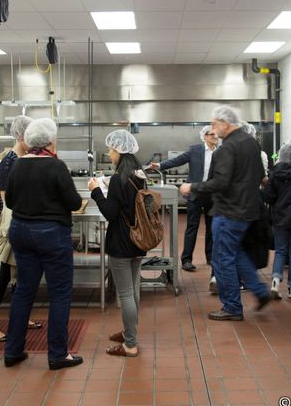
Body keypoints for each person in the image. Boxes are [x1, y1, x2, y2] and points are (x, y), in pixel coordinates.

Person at [3, 118, 84, 370]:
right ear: (50, 141)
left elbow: (11, 202)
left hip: (21, 231)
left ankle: (13, 351)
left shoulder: (16, 165)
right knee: (59, 293)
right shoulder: (56, 166)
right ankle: (58, 354)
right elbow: (72, 202)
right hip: (51, 234)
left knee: (24, 291)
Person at [180, 106, 271, 321]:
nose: (212, 129)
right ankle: (259, 290)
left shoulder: (226, 149)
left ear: (225, 123)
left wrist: (192, 187)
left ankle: (232, 306)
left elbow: (220, 182)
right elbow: (260, 175)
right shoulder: (251, 143)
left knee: (222, 260)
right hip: (248, 211)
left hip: (228, 212)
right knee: (236, 253)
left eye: (214, 124)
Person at [0, 115, 42, 342]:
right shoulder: (10, 160)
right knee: (6, 273)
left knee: (21, 273)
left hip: (23, 219)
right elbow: (8, 198)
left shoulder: (24, 158)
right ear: (19, 135)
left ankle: (21, 315)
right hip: (13, 222)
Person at [88, 130, 147, 357]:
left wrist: (96, 192)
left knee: (125, 295)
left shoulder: (118, 179)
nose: (109, 153)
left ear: (120, 151)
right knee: (133, 290)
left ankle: (130, 344)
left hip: (121, 243)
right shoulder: (139, 175)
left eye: (111, 150)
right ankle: (129, 331)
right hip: (138, 240)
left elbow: (110, 213)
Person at [149, 125, 218, 274]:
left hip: (212, 194)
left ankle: (211, 257)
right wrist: (160, 165)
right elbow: (178, 160)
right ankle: (186, 260)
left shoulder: (221, 152)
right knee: (192, 227)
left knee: (212, 227)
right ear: (205, 136)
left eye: (216, 134)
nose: (214, 137)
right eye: (211, 134)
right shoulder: (195, 150)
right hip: (195, 193)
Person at [262, 143, 291, 300]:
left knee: (280, 251)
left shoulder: (274, 174)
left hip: (279, 217)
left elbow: (268, 197)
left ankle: (275, 283)